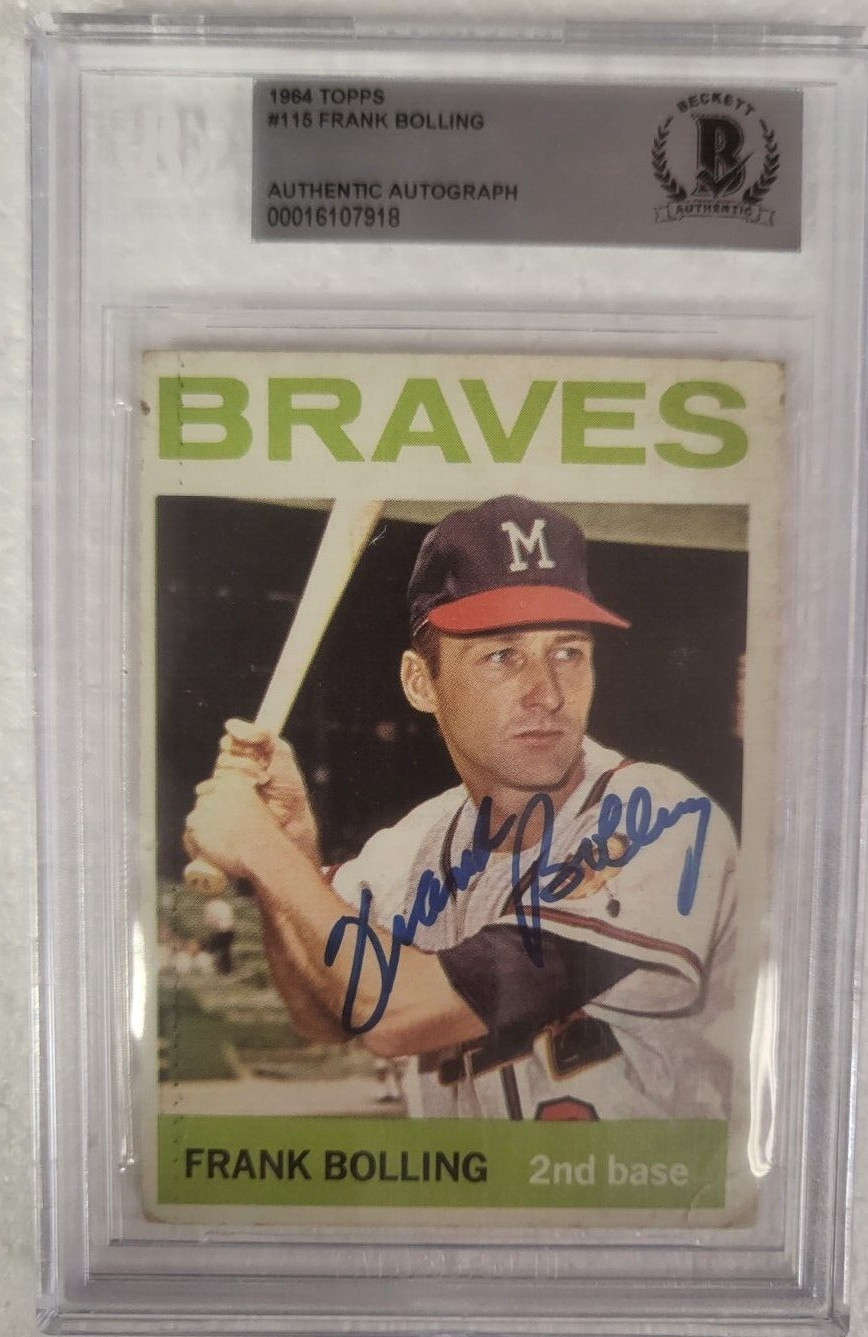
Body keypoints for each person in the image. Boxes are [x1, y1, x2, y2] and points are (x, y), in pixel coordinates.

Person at [184, 496, 738, 1122]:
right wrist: (288, 848)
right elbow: (325, 1016)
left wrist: (262, 851)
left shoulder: (662, 819)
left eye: (568, 652)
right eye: (502, 655)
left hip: (631, 1183)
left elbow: (399, 1014)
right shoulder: (409, 847)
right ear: (420, 682)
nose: (546, 693)